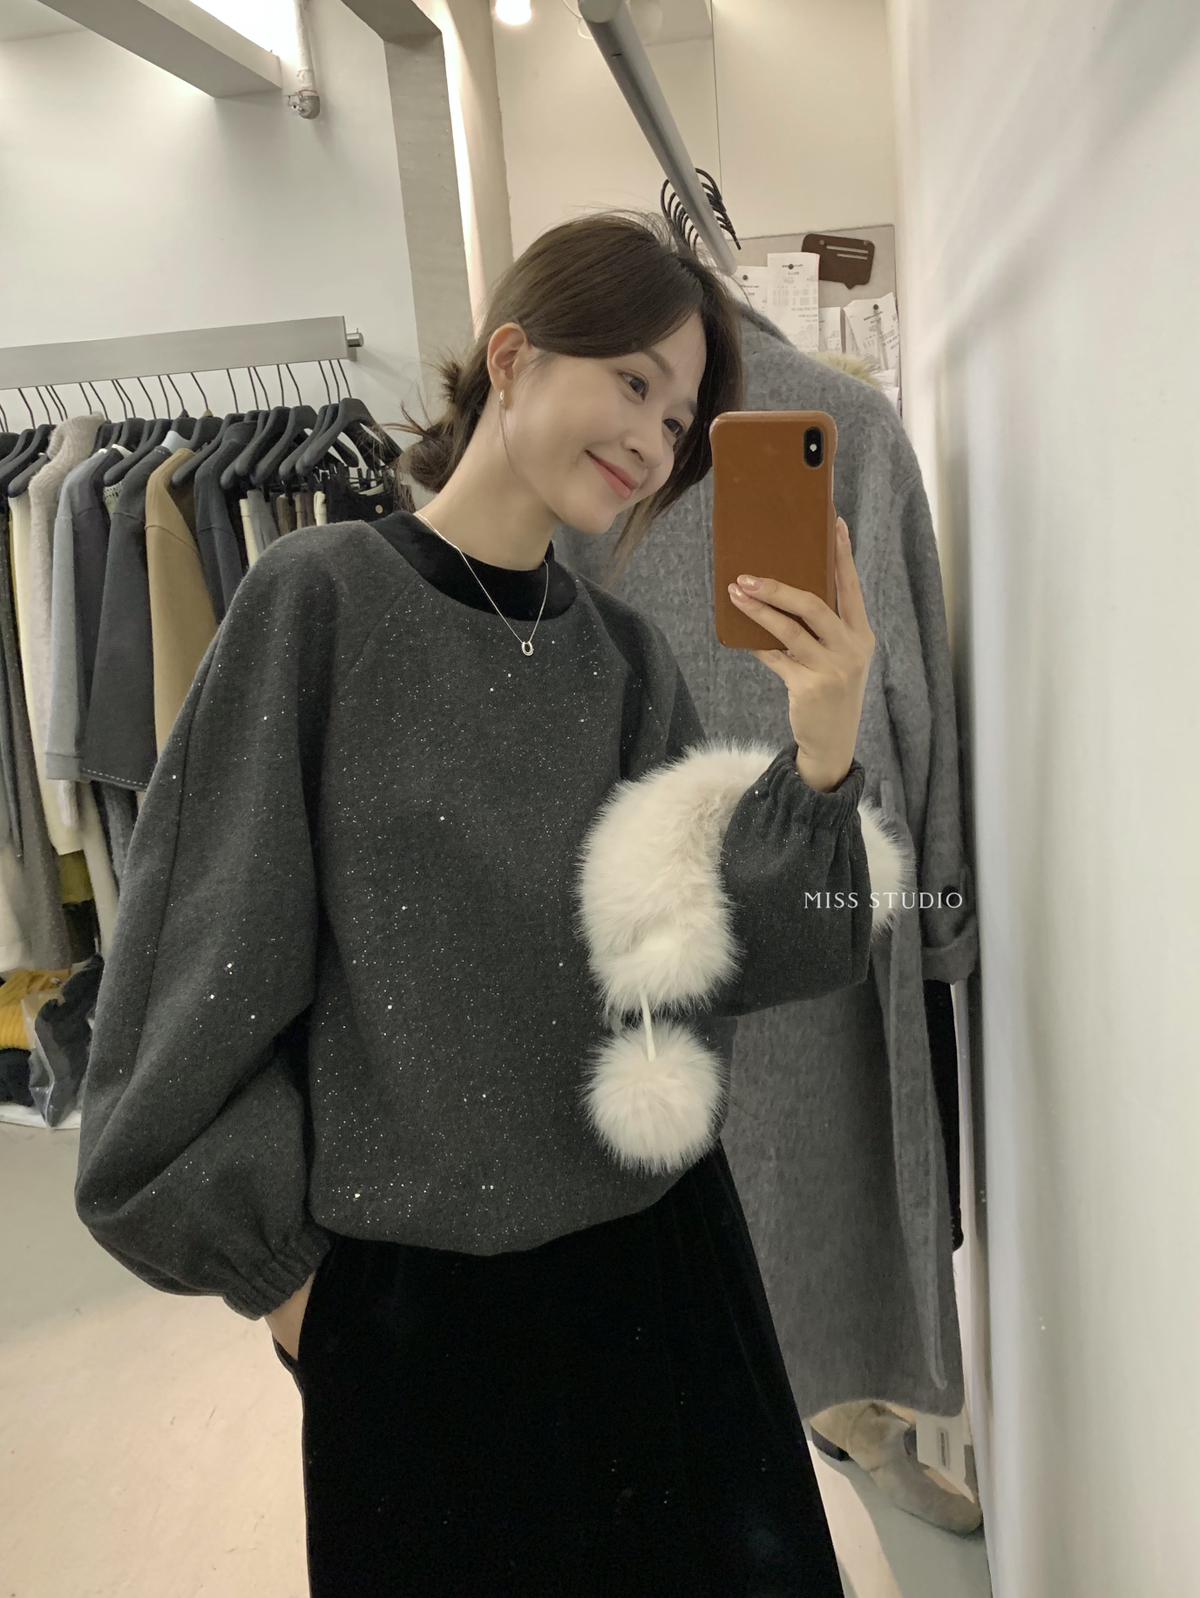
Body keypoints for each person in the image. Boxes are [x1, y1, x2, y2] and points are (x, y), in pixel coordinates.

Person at [75, 209, 907, 1596]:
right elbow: (197, 964)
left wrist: (822, 748)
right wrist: (294, 1287)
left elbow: (729, 959)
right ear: (512, 358)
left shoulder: (623, 658)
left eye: (679, 417)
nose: (654, 439)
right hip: (429, 1318)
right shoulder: (320, 601)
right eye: (632, 381)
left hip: (663, 1278)